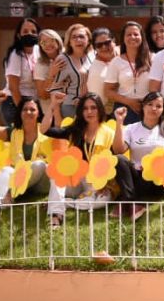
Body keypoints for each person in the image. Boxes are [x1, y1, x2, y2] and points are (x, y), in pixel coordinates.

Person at [0, 91, 55, 229]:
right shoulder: (13, 132)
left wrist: (54, 105)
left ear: (38, 113)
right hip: (19, 178)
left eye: (32, 109)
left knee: (39, 164)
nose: (28, 112)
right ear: (20, 113)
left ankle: (10, 193)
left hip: (40, 183)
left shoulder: (46, 130)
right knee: (6, 170)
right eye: (25, 109)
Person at [44, 92, 116, 229]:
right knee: (58, 173)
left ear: (100, 109)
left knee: (102, 202)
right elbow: (45, 130)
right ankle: (56, 214)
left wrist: (104, 183)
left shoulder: (109, 133)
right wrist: (53, 105)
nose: (89, 112)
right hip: (76, 179)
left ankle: (62, 202)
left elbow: (113, 162)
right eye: (85, 108)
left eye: (93, 108)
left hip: (96, 183)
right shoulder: (76, 129)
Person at [111, 92, 164, 220]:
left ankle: (128, 202)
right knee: (119, 159)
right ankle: (131, 202)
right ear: (143, 107)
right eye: (150, 104)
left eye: (158, 106)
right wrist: (119, 122)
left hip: (158, 180)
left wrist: (155, 167)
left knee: (151, 170)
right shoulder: (131, 128)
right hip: (137, 176)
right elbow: (118, 150)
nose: (154, 108)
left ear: (163, 110)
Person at [105, 21, 153, 126]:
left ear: (142, 37)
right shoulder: (116, 62)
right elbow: (108, 91)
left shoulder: (153, 59)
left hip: (149, 110)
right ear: (123, 38)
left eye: (136, 34)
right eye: (129, 34)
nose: (132, 37)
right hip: (124, 110)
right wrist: (129, 102)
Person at [0, 18, 40, 125]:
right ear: (18, 35)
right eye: (25, 31)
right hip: (15, 102)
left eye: (33, 31)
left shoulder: (39, 51)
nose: (29, 34)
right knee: (19, 134)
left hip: (33, 101)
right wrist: (22, 110)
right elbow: (13, 88)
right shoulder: (15, 54)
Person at [53, 23, 94, 118]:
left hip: (91, 106)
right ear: (69, 42)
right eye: (74, 37)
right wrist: (57, 114)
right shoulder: (62, 59)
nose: (78, 40)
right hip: (71, 106)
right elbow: (55, 87)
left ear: (88, 40)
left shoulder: (94, 55)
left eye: (81, 36)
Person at [33, 30, 64, 117]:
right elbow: (43, 95)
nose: (48, 44)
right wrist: (51, 74)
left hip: (70, 108)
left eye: (51, 40)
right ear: (40, 46)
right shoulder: (40, 64)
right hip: (50, 113)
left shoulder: (68, 57)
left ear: (58, 41)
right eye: (43, 42)